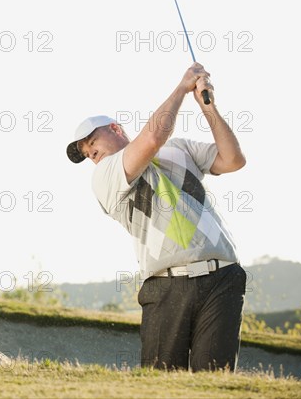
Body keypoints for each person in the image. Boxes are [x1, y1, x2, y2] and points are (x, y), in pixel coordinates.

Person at [66, 63, 247, 372]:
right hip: (167, 287)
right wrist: (181, 88)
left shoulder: (179, 148)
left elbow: (233, 160)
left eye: (91, 143)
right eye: (85, 153)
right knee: (162, 381)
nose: (90, 154)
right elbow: (152, 139)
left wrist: (208, 106)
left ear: (115, 129)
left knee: (214, 380)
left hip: (222, 277)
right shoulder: (105, 175)